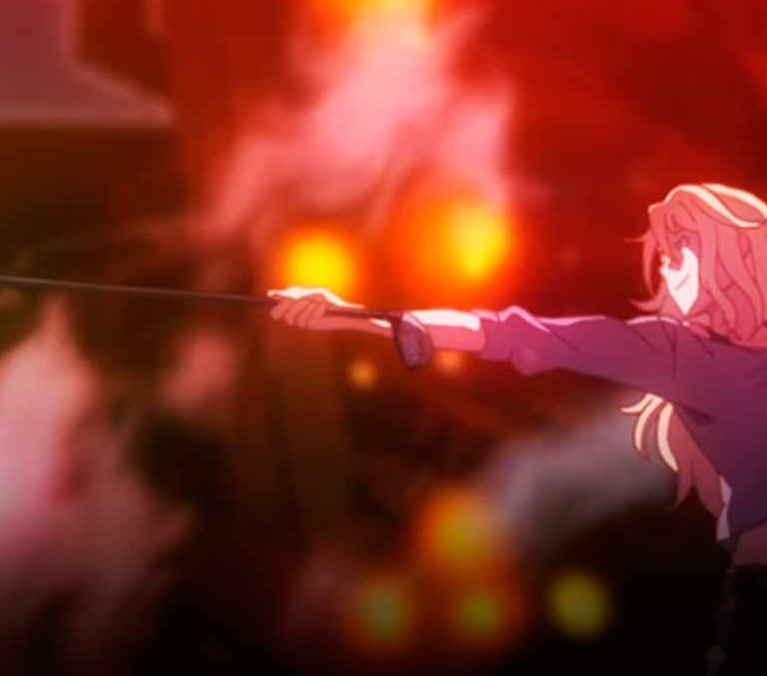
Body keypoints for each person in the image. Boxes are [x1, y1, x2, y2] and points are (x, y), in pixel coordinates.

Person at [268, 182, 767, 675]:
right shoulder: (678, 356)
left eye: (679, 256)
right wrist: (360, 320)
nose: (665, 270)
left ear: (726, 262)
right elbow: (515, 334)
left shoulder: (693, 361)